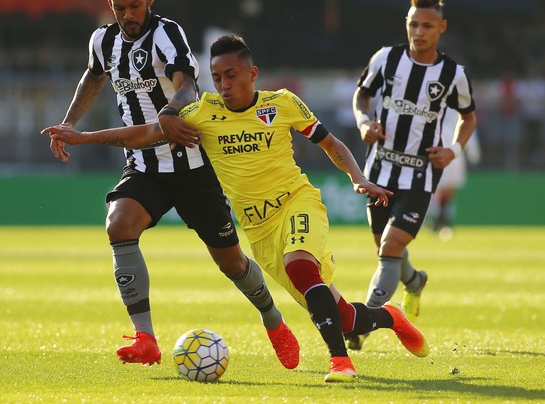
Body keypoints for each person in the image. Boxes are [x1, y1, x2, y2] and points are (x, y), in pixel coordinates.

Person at [43, 34, 429, 383]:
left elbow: (331, 144)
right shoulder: (202, 113)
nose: (224, 85)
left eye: (231, 75)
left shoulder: (282, 104)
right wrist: (84, 137)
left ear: (252, 73)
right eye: (217, 77)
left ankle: (340, 362)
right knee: (343, 315)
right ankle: (390, 317)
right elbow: (145, 133)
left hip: (297, 201)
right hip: (259, 230)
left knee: (300, 264)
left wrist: (357, 177)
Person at [45, 0, 299, 370]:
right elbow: (93, 77)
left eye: (133, 5)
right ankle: (145, 337)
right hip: (144, 165)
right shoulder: (103, 41)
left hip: (193, 165)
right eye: (118, 7)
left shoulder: (167, 34)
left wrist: (168, 112)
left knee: (231, 262)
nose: (127, 15)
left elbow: (187, 85)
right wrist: (69, 121)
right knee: (118, 224)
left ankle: (274, 320)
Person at [349, 0, 477, 349]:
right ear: (407, 24)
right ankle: (415, 281)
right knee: (385, 249)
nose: (419, 32)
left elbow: (468, 118)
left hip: (420, 175)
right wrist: (363, 122)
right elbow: (362, 95)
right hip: (379, 171)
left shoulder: (453, 74)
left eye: (427, 26)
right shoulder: (386, 59)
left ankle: (362, 325)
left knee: (390, 246)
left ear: (441, 28)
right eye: (414, 24)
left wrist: (453, 150)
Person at [428, 108, 481, 240]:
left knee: (450, 188)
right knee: (438, 188)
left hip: (454, 151)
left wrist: (472, 149)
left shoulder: (459, 103)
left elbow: (468, 124)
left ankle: (446, 219)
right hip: (438, 149)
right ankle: (436, 219)